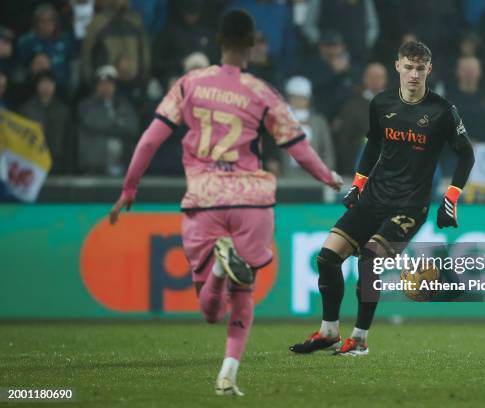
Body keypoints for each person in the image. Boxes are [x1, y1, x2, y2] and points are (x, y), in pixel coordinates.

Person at [109, 9, 342, 395]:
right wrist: (328, 176)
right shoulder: (262, 92)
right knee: (243, 294)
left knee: (210, 311)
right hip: (252, 203)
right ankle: (227, 375)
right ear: (252, 45)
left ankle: (219, 270)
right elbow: (298, 148)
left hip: (205, 200)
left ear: (219, 42)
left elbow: (150, 140)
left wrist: (129, 189)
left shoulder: (189, 84)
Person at [289, 41, 474, 356]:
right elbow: (373, 146)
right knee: (327, 257)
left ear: (429, 69)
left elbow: (466, 155)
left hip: (410, 206)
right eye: (409, 66)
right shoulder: (381, 103)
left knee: (371, 257)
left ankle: (359, 340)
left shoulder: (442, 110)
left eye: (420, 68)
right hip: (373, 198)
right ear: (397, 66)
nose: (414, 74)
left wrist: (451, 197)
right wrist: (358, 185)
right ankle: (329, 331)